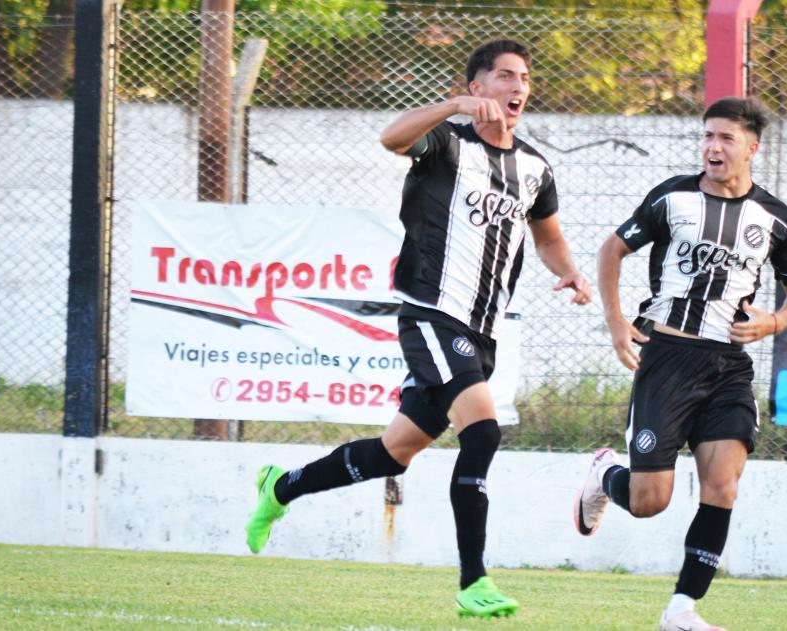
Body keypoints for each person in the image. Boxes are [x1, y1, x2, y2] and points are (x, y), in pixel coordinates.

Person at [244, 38, 592, 619]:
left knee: (393, 454)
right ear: (477, 87)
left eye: (525, 78)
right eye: (505, 76)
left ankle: (280, 487)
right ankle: (473, 581)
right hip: (432, 313)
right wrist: (452, 106)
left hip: (482, 331)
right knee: (482, 433)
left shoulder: (535, 167)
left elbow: (548, 237)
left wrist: (571, 272)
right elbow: (392, 137)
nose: (518, 87)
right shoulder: (447, 143)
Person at [577, 97, 787, 631]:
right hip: (668, 358)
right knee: (649, 501)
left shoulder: (775, 218)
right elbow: (611, 250)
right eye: (708, 135)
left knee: (722, 487)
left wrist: (774, 322)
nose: (713, 146)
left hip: (729, 366)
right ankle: (605, 474)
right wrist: (616, 322)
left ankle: (681, 610)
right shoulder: (672, 198)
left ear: (752, 147)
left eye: (726, 138)